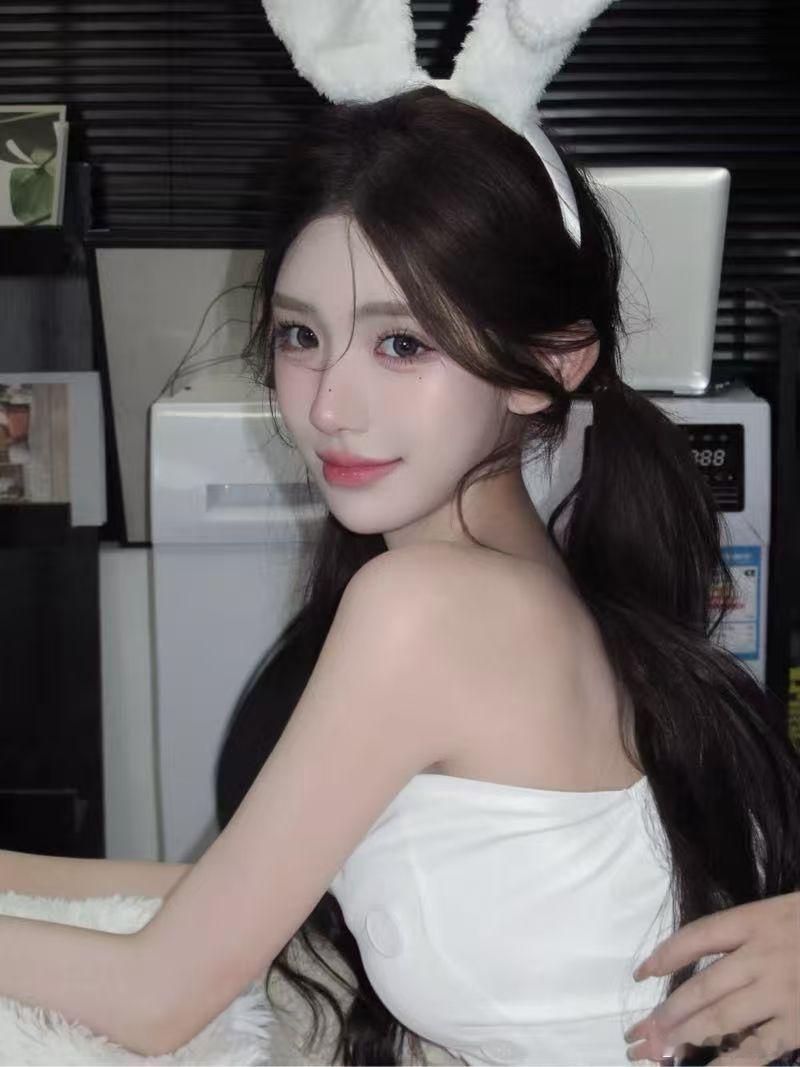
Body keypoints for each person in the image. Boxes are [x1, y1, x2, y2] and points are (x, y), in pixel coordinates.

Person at [0, 9, 798, 1067]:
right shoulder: (526, 580)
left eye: (402, 343)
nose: (329, 405)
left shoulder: (429, 608)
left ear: (549, 364)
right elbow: (249, 897)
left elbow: (157, 995)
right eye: (301, 335)